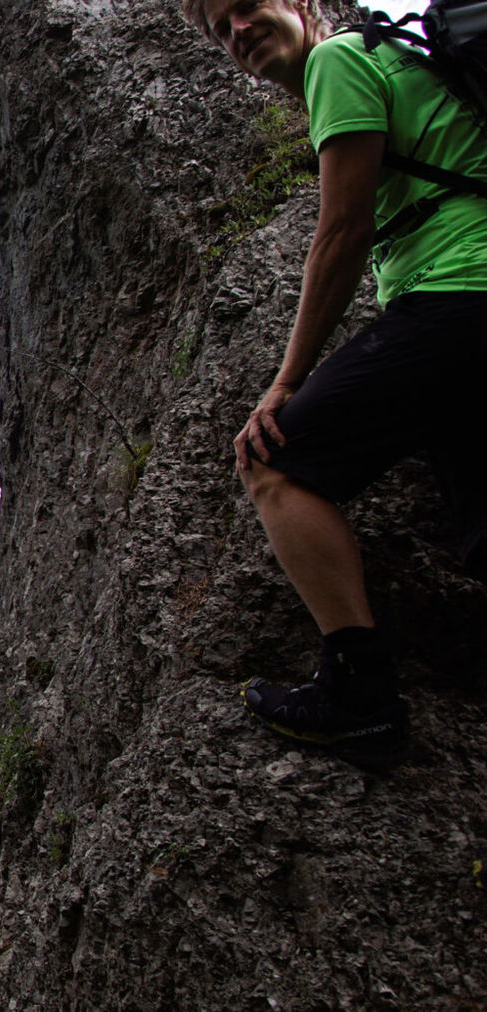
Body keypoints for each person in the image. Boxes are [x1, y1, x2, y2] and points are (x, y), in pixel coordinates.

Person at [183, 0, 487, 768]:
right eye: (219, 31)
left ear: (299, 4)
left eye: (246, 10)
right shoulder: (385, 55)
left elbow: (343, 229)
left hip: (460, 293)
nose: (237, 33)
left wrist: (284, 384)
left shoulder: (336, 60)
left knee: (276, 463)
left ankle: (359, 694)